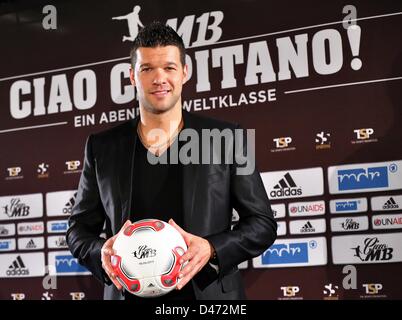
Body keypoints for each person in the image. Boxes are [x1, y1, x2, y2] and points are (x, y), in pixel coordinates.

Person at [67, 21, 277, 300]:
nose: (159, 79)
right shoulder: (102, 147)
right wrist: (102, 253)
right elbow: (78, 230)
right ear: (132, 76)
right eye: (147, 69)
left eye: (169, 67)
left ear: (185, 72)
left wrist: (211, 249)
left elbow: (262, 223)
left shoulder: (227, 138)